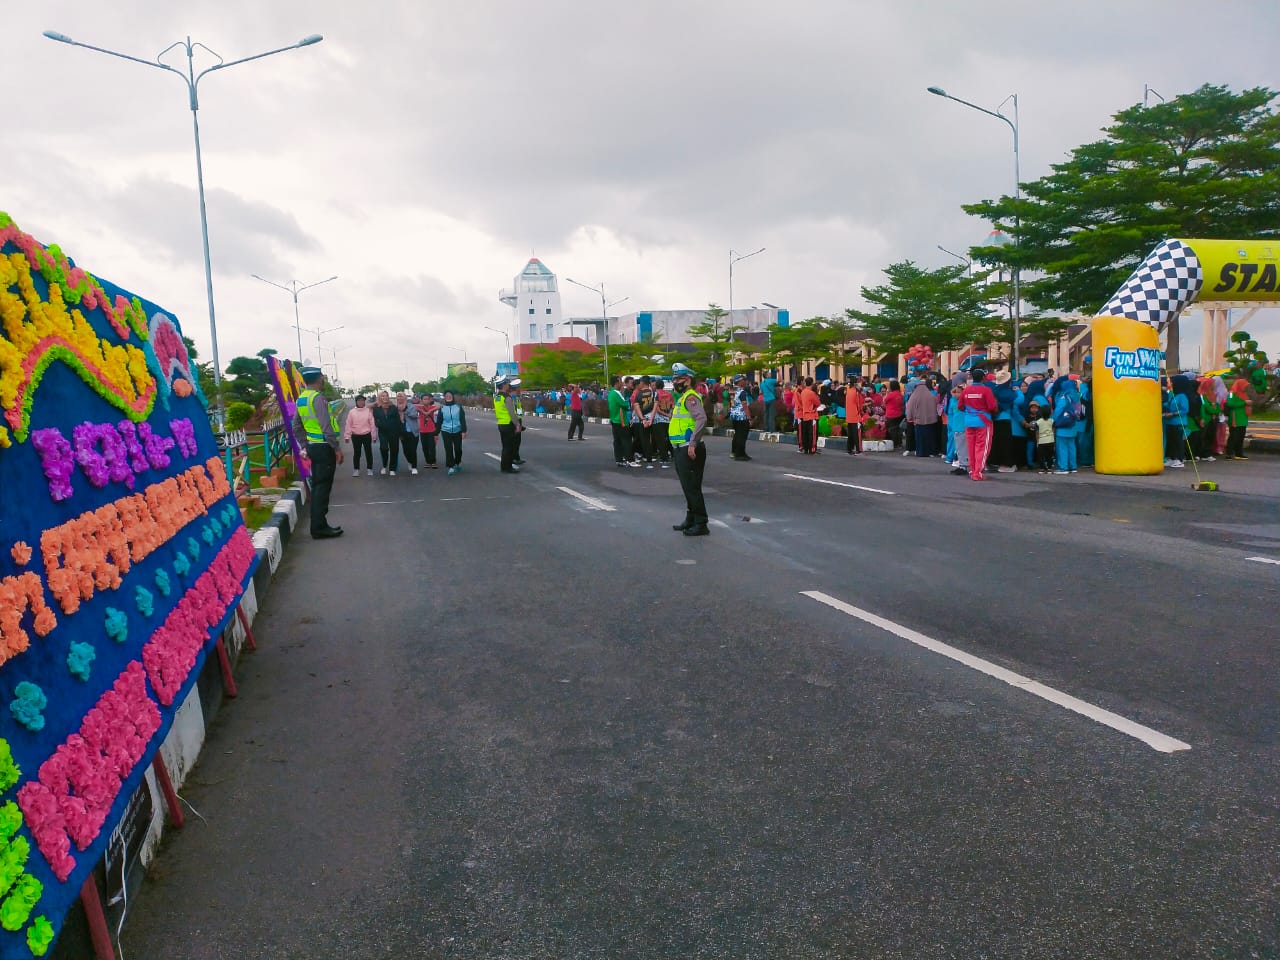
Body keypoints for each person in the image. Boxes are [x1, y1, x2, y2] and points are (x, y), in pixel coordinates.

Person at [291, 367, 343, 538]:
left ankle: (319, 524)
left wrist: (305, 445)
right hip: (324, 447)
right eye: (322, 377)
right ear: (319, 378)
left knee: (318, 486)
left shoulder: (302, 399)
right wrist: (336, 448)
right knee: (322, 487)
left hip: (313, 447)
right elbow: (326, 425)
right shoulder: (318, 398)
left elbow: (296, 426)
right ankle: (319, 527)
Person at [669, 363, 710, 537]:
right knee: (688, 487)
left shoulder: (690, 398)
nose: (675, 381)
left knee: (692, 487)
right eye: (675, 378)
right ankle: (691, 518)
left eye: (679, 379)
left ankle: (701, 523)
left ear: (688, 380)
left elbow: (701, 419)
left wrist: (693, 443)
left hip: (689, 449)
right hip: (681, 449)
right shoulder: (683, 397)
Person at [960, 369, 997, 481]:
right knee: (982, 447)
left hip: (968, 421)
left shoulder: (966, 390)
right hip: (983, 421)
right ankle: (978, 472)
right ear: (983, 378)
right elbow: (992, 407)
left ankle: (973, 470)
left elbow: (960, 406)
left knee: (971, 447)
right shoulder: (986, 390)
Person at [1051, 377, 1083, 475]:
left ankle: (1063, 467)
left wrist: (1053, 420)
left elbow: (1058, 411)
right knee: (1071, 447)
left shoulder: (1064, 397)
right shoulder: (1077, 396)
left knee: (1062, 447)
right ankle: (1073, 467)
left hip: (1063, 425)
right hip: (1073, 426)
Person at [342, 394, 377, 477]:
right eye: (359, 400)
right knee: (357, 453)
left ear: (364, 401)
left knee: (368, 452)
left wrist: (374, 436)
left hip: (366, 435)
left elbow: (372, 424)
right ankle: (356, 469)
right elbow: (348, 424)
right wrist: (347, 436)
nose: (361, 402)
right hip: (356, 435)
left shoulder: (368, 411)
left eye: (362, 400)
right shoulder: (352, 412)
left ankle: (369, 469)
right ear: (356, 402)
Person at [905, 375, 939, 458]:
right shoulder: (931, 396)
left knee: (919, 438)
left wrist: (909, 418)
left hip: (918, 421)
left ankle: (920, 452)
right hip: (930, 421)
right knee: (929, 437)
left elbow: (909, 408)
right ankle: (930, 452)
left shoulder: (914, 396)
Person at [435, 389, 467, 474]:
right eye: (446, 396)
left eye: (450, 395)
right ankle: (451, 466)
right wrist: (436, 433)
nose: (448, 397)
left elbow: (462, 419)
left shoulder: (458, 407)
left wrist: (463, 431)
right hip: (446, 431)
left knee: (458, 449)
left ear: (452, 397)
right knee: (448, 449)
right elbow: (439, 421)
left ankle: (457, 462)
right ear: (444, 397)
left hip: (457, 430)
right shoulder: (442, 408)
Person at [493, 377, 522, 473]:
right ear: (504, 385)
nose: (508, 385)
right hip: (509, 424)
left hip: (501, 423)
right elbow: (511, 413)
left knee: (505, 446)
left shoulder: (497, 397)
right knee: (509, 447)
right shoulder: (507, 397)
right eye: (507, 383)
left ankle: (504, 467)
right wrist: (517, 425)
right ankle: (508, 467)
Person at [372, 390, 402, 476]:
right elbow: (375, 419)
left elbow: (398, 420)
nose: (385, 397)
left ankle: (392, 468)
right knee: (384, 448)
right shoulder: (376, 408)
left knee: (394, 450)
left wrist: (399, 432)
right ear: (380, 397)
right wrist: (378, 424)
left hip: (394, 432)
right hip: (382, 432)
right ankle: (384, 466)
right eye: (382, 396)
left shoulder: (393, 407)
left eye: (386, 396)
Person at [608, 375, 634, 467]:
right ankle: (629, 459)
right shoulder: (616, 393)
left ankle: (619, 459)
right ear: (616, 382)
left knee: (617, 441)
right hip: (621, 420)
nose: (622, 384)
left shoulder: (611, 393)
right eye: (620, 382)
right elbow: (625, 405)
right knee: (626, 440)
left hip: (615, 419)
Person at [631, 376, 657, 467]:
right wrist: (651, 418)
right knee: (654, 438)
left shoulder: (638, 394)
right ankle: (659, 457)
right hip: (653, 420)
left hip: (643, 420)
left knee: (644, 439)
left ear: (642, 383)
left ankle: (648, 460)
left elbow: (636, 407)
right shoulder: (653, 393)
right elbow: (655, 406)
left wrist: (643, 419)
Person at [1224, 378, 1251, 460]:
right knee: (1233, 436)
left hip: (1243, 418)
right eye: (1245, 386)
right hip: (1235, 418)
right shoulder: (1232, 393)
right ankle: (1229, 453)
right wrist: (1244, 403)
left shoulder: (1244, 394)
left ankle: (1239, 453)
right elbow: (1230, 403)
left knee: (1241, 436)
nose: (1246, 387)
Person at [794, 377, 820, 454]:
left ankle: (806, 448)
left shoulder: (803, 391)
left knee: (806, 432)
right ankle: (808, 448)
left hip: (804, 414)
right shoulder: (802, 391)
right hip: (807, 414)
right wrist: (810, 408)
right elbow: (817, 403)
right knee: (811, 433)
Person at [1030, 401, 1055, 473]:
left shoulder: (1038, 422)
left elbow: (1037, 432)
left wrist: (1037, 441)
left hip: (1041, 441)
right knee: (1049, 455)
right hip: (1050, 440)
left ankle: (1042, 468)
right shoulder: (1052, 421)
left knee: (1041, 456)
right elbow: (1053, 430)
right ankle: (1049, 468)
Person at [399, 392, 421, 475]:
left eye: (402, 396)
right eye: (398, 397)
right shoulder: (395, 408)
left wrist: (404, 411)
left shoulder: (411, 406)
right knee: (405, 450)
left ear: (405, 398)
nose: (400, 398)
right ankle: (409, 461)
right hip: (402, 432)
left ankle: (414, 467)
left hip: (412, 431)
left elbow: (414, 415)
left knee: (412, 450)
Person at [418, 393, 441, 469]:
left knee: (432, 447)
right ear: (421, 400)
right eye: (424, 399)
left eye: (427, 399)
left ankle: (433, 462)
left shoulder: (432, 407)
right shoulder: (419, 407)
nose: (426, 400)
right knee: (425, 447)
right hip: (422, 431)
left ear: (430, 400)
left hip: (431, 431)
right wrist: (422, 410)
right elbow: (413, 406)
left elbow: (439, 406)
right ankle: (428, 461)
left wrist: (429, 411)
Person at [844, 375, 865, 455]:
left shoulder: (848, 391)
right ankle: (859, 450)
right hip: (856, 416)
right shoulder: (856, 392)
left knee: (851, 435)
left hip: (849, 416)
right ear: (856, 383)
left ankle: (849, 449)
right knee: (857, 435)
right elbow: (859, 404)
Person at [882, 380, 905, 450]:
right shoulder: (900, 394)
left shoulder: (891, 394)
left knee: (891, 430)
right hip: (899, 414)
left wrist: (888, 392)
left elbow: (884, 401)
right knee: (898, 429)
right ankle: (899, 443)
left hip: (890, 414)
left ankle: (893, 444)